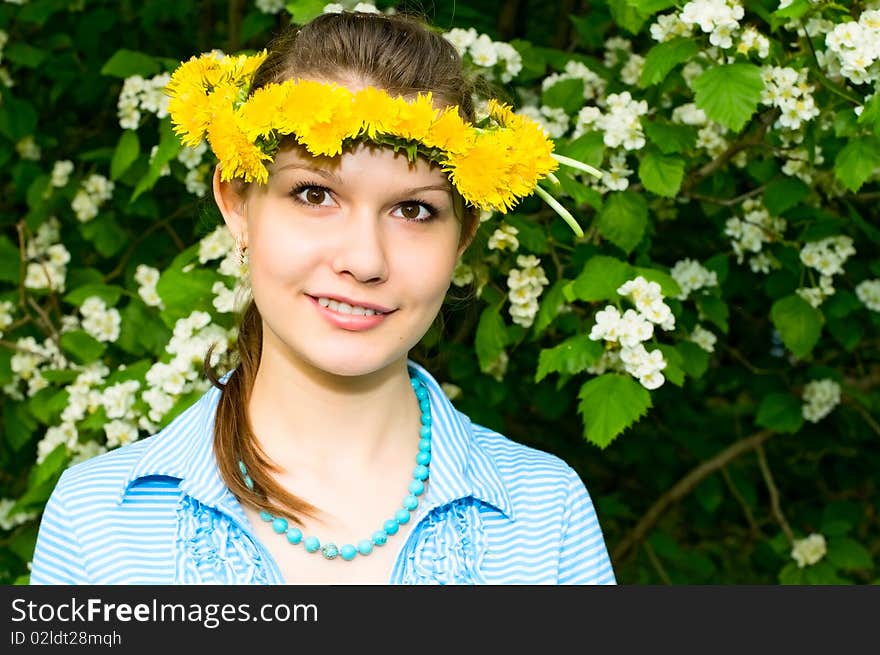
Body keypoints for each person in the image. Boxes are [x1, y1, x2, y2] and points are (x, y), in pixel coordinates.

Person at [29, 10, 616, 585]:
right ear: (237, 204)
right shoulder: (96, 521)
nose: (364, 260)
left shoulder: (548, 514)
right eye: (314, 194)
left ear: (462, 239)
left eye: (414, 209)